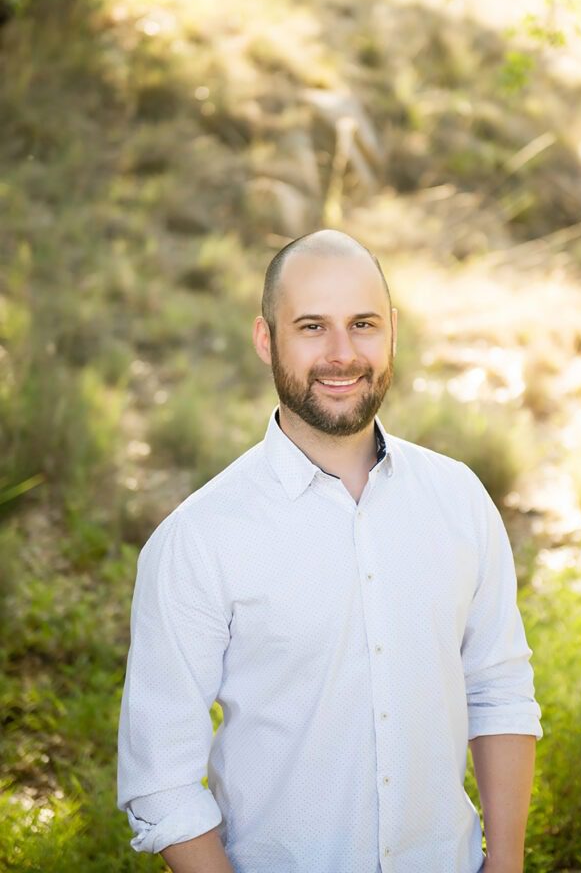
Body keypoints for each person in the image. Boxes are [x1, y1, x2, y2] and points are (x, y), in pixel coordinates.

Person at [117, 229, 542, 873]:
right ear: (266, 339)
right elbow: (162, 780)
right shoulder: (198, 540)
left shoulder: (458, 498)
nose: (342, 355)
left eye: (363, 324)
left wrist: (505, 864)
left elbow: (499, 691)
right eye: (312, 326)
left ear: (392, 330)